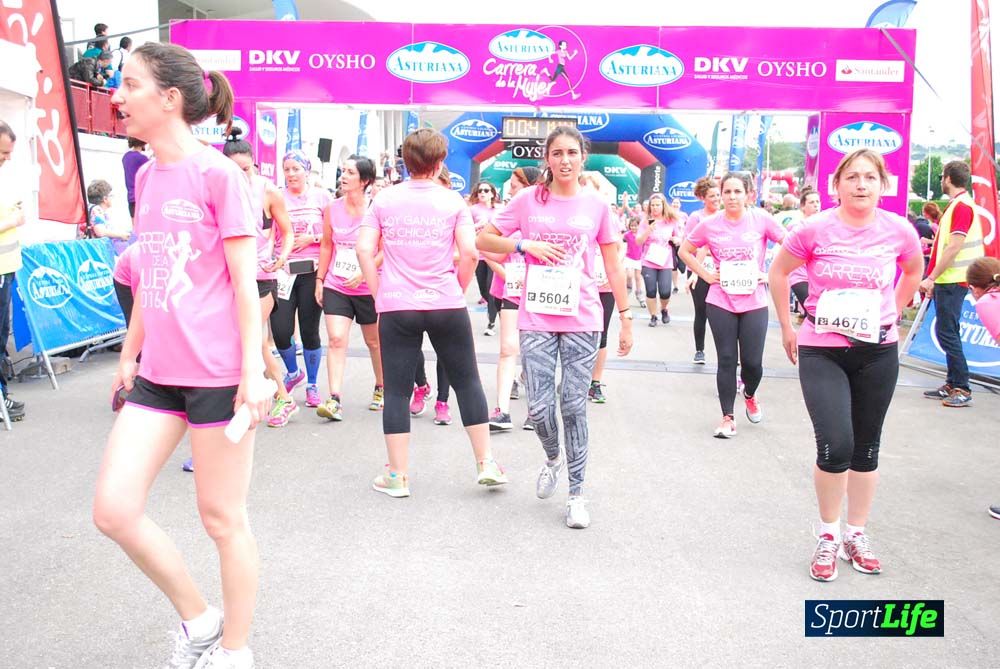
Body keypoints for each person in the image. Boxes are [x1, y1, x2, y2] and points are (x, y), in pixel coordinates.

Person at [95, 42, 271, 668]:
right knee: (114, 511)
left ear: (169, 98)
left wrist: (253, 372)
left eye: (130, 85)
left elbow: (245, 284)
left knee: (222, 519)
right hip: (158, 374)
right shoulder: (145, 175)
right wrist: (130, 351)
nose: (116, 96)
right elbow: (151, 270)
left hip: (219, 376)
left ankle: (235, 651)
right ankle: (200, 621)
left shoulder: (219, 175)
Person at [768, 148, 923, 582]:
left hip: (877, 351)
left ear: (882, 185)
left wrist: (892, 310)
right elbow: (779, 273)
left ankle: (857, 534)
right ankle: (828, 534)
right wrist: (786, 327)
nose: (860, 184)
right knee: (835, 445)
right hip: (823, 349)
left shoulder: (899, 230)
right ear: (836, 184)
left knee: (866, 447)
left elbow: (913, 271)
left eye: (869, 177)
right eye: (852, 177)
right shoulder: (813, 229)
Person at [479, 125, 634, 529]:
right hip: (537, 315)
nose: (565, 160)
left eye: (572, 153)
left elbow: (613, 264)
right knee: (540, 407)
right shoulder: (528, 200)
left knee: (574, 405)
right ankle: (552, 457)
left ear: (583, 157)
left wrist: (626, 316)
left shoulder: (597, 205)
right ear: (547, 159)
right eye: (557, 153)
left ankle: (577, 494)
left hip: (583, 315)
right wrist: (523, 244)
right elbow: (484, 240)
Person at [358, 128, 508, 498]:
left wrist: (379, 294)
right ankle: (486, 463)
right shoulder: (452, 200)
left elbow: (363, 250)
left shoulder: (384, 199)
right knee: (467, 381)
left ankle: (397, 476)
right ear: (440, 162)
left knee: (396, 390)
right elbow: (470, 253)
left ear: (404, 162)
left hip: (397, 304)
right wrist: (457, 288)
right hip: (445, 302)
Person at [679, 172, 785, 438]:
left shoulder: (761, 219)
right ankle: (727, 417)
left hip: (754, 301)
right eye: (727, 192)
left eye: (738, 191)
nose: (732, 197)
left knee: (752, 363)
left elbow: (791, 245)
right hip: (721, 299)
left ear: (748, 194)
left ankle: (749, 394)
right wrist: (706, 275)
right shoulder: (710, 224)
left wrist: (769, 274)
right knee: (726, 359)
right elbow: (684, 251)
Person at [222, 128, 298, 429]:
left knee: (253, 339)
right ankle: (262, 395)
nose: (241, 175)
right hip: (229, 277)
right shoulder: (220, 189)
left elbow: (287, 231)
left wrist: (282, 256)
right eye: (234, 170)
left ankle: (282, 396)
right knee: (247, 340)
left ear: (254, 163)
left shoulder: (268, 191)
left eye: (246, 169)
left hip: (261, 276)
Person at [314, 155, 384, 421]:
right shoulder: (332, 208)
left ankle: (381, 387)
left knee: (374, 342)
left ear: (364, 180)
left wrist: (365, 271)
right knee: (335, 339)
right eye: (343, 171)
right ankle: (334, 399)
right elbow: (326, 245)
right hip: (337, 284)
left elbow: (385, 249)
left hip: (369, 286)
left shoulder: (376, 209)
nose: (343, 177)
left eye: (350, 172)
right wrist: (320, 280)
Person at [920, 161, 985, 408]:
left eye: (942, 177)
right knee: (946, 331)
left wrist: (931, 277)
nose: (941, 181)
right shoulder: (960, 205)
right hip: (950, 278)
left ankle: (961, 386)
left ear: (947, 178)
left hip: (953, 279)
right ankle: (952, 382)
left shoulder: (961, 207)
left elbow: (953, 246)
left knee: (948, 333)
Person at [272, 150, 332, 409]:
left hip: (311, 271)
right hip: (283, 271)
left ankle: (312, 385)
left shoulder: (322, 197)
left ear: (306, 171)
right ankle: (293, 372)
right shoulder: (276, 196)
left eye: (296, 168)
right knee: (281, 330)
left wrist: (313, 239)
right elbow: (269, 232)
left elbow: (333, 234)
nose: (291, 174)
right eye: (287, 169)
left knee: (309, 330)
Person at [410, 166, 455, 426]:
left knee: (444, 349)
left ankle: (442, 401)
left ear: (446, 185)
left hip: (444, 289)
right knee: (411, 343)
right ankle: (421, 385)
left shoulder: (454, 209)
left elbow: (468, 252)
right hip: (411, 288)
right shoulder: (412, 212)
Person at [0, 121, 25, 421]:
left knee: (2, 336)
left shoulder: (5, 178)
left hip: (7, 268)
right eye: (3, 152)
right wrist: (12, 221)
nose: (7, 158)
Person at [684, 176, 721, 364]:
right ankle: (700, 350)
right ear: (702, 198)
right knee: (702, 310)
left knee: (723, 312)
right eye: (712, 196)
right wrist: (694, 272)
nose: (716, 199)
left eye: (718, 195)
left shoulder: (725, 216)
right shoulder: (696, 218)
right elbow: (688, 246)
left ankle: (729, 352)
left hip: (722, 268)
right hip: (699, 267)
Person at [636, 193, 681, 326]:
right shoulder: (646, 221)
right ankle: (653, 316)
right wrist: (648, 230)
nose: (655, 207)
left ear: (663, 206)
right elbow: (638, 241)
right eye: (653, 205)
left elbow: (679, 237)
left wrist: (676, 239)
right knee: (650, 291)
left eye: (658, 205)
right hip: (648, 261)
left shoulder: (671, 221)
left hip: (665, 261)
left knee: (665, 291)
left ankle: (664, 309)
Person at [470, 181, 502, 336]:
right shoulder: (472, 210)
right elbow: (465, 230)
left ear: (492, 193)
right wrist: (477, 227)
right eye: (480, 191)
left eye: (486, 190)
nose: (482, 193)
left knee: (491, 287)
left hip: (495, 253)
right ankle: (498, 308)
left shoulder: (500, 210)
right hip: (479, 254)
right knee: (483, 289)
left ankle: (491, 322)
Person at [788, 187, 821, 312]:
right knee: (813, 311)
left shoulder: (825, 227)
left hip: (818, 278)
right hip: (800, 276)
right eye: (811, 202)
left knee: (820, 314)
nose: (816, 205)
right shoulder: (795, 227)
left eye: (817, 202)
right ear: (803, 206)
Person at [83, 180, 130, 250]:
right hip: (94, 250)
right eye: (111, 196)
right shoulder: (96, 210)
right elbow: (100, 232)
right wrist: (120, 235)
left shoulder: (88, 209)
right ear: (105, 199)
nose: (112, 198)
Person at [122, 137, 149, 220]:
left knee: (134, 225)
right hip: (142, 197)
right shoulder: (143, 159)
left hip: (131, 197)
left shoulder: (125, 157)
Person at [622, 218, 644, 304]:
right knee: (629, 275)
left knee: (638, 277)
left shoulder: (641, 235)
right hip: (629, 258)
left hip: (639, 258)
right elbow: (619, 238)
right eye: (631, 226)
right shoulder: (627, 234)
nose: (633, 227)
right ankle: (629, 288)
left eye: (635, 226)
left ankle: (639, 294)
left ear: (639, 226)